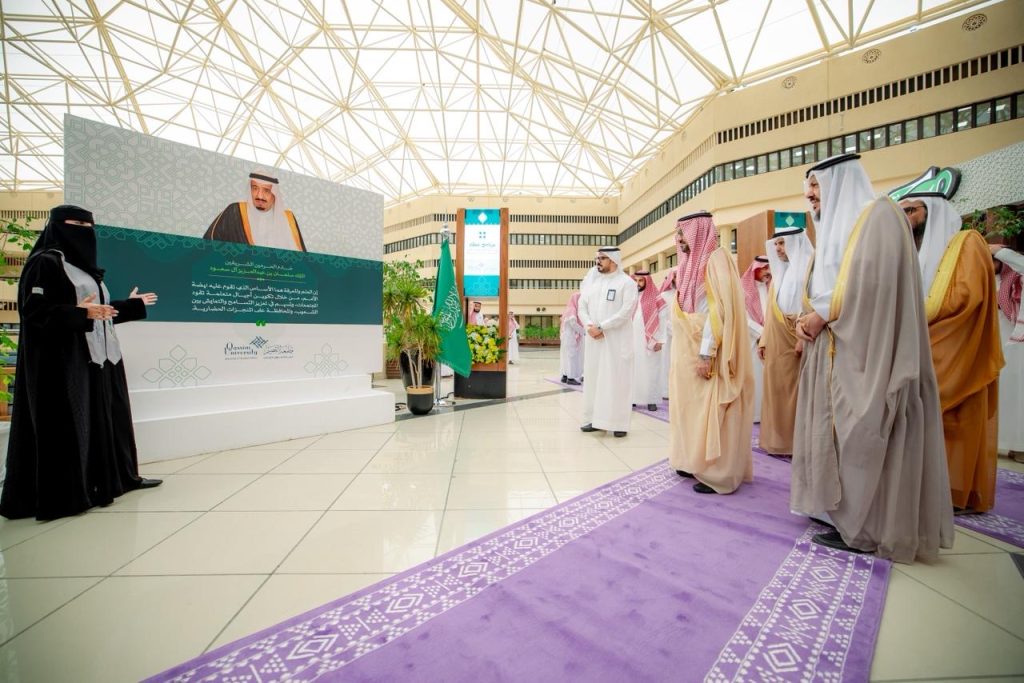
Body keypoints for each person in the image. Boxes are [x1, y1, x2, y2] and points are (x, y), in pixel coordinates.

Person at [791, 154, 954, 563]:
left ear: (838, 181)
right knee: (839, 434)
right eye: (807, 186)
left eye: (816, 184)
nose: (810, 194)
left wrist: (822, 314)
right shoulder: (836, 229)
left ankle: (867, 528)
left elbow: (876, 285)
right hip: (834, 349)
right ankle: (842, 514)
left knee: (865, 432)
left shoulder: (877, 217)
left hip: (869, 352)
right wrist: (810, 317)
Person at [1, 205, 162, 521]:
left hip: (101, 358)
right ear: (57, 227)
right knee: (71, 425)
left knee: (110, 417)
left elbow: (97, 312)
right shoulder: (43, 265)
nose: (84, 230)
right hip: (64, 363)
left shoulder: (85, 271)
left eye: (88, 225)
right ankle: (68, 494)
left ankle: (118, 479)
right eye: (75, 224)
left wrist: (131, 305)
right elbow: (35, 312)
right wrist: (79, 313)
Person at [900, 192, 1003, 513]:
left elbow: (967, 297)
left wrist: (913, 314)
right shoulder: (911, 250)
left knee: (957, 423)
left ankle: (956, 493)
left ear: (932, 211)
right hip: (919, 346)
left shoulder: (966, 243)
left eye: (911, 211)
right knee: (922, 423)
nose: (905, 217)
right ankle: (922, 489)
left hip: (959, 349)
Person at [667, 212, 754, 494]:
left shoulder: (715, 262)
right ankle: (691, 461)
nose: (679, 239)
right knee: (689, 409)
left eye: (683, 233)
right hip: (685, 353)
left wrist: (706, 354)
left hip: (707, 354)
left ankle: (716, 472)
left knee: (711, 411)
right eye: (678, 234)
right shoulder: (688, 265)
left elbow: (717, 313)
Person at [757, 225, 814, 456]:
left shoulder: (809, 268)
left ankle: (796, 443)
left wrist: (802, 339)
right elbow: (772, 311)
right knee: (776, 391)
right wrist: (764, 339)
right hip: (777, 342)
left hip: (799, 340)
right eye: (776, 244)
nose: (779, 249)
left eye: (783, 243)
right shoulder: (781, 273)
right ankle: (778, 441)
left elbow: (810, 305)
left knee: (796, 392)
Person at [578, 246, 638, 437]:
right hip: (594, 340)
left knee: (617, 381)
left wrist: (602, 327)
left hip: (616, 341)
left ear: (613, 260)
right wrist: (589, 326)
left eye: (602, 258)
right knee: (595, 380)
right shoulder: (592, 283)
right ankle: (595, 420)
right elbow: (582, 307)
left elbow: (626, 311)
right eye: (597, 258)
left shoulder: (626, 283)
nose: (598, 262)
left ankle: (619, 424)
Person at [204, 171, 307, 251]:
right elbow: (208, 244)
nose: (259, 196)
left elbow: (302, 258)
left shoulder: (288, 219)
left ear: (275, 194)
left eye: (266, 190)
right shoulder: (234, 211)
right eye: (255, 188)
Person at [989, 240, 1023, 462]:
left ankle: (1020, 447)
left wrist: (1001, 251)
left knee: (1020, 397)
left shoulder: (1016, 276)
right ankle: (1008, 444)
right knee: (1007, 395)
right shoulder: (993, 280)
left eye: (991, 260)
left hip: (1018, 344)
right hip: (1003, 345)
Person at [740, 256, 771, 421]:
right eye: (764, 267)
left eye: (769, 268)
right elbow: (744, 319)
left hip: (771, 340)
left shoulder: (771, 287)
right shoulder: (743, 290)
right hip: (752, 341)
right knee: (755, 377)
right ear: (755, 269)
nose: (768, 271)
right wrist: (762, 334)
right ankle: (755, 415)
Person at [631, 271, 667, 411]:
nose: (638, 283)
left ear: (647, 281)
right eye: (636, 280)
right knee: (634, 369)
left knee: (652, 370)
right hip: (633, 340)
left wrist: (661, 339)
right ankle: (633, 398)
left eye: (641, 281)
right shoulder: (631, 298)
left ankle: (651, 400)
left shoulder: (656, 298)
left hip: (652, 340)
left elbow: (663, 319)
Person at [657, 270, 677, 400]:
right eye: (676, 276)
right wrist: (674, 330)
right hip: (668, 336)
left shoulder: (686, 294)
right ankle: (666, 391)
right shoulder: (664, 295)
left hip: (684, 335)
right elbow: (662, 318)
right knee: (666, 362)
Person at [559, 293, 585, 385]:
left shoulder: (568, 309)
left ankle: (565, 376)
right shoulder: (572, 310)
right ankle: (570, 378)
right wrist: (584, 332)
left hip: (566, 337)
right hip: (570, 337)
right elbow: (573, 323)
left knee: (566, 357)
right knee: (571, 357)